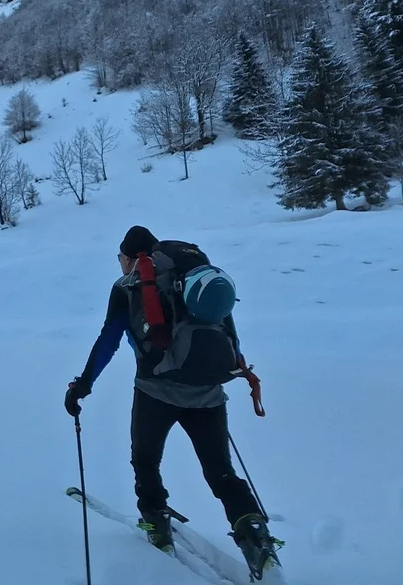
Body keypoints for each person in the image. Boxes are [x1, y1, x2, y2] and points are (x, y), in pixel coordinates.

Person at [63, 225, 274, 557]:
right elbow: (228, 332)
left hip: (154, 392)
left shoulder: (128, 287)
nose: (119, 263)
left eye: (120, 257)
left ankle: (155, 523)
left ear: (132, 258)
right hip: (208, 393)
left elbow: (109, 341)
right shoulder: (192, 281)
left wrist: (82, 386)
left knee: (145, 461)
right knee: (221, 474)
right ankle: (255, 534)